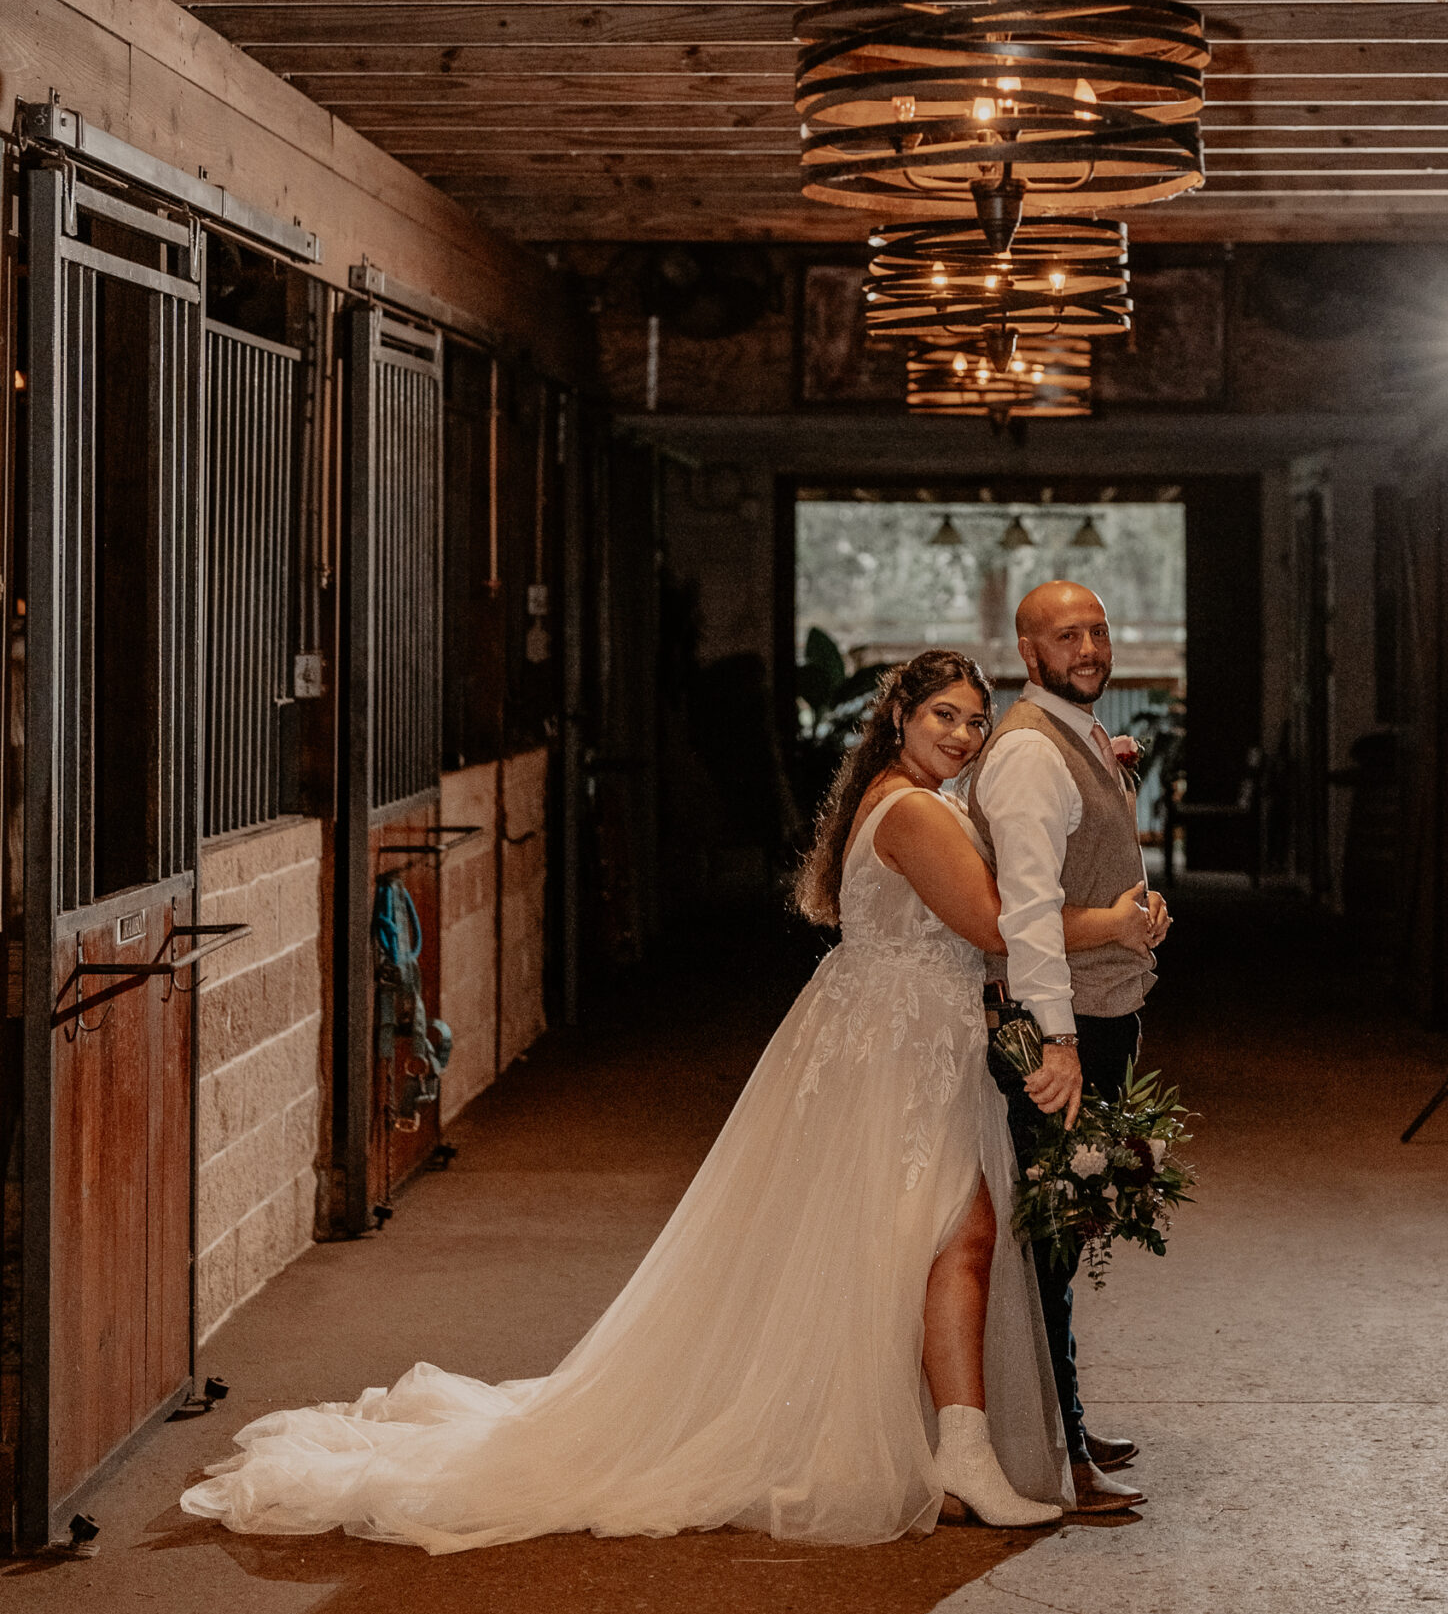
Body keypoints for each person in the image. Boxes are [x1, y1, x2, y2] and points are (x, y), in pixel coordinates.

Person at [181, 649, 1155, 1552]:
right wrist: (1111, 921)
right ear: (900, 713)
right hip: (902, 1048)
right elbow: (990, 918)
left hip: (902, 1038)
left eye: (977, 721)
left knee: (941, 1237)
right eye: (945, 712)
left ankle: (951, 1450)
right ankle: (958, 1454)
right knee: (958, 1231)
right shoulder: (914, 813)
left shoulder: (906, 798)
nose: (964, 732)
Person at [966, 581, 1173, 1518]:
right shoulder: (1026, 756)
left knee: (1070, 1224)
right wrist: (1057, 1043)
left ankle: (1062, 1418)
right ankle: (1059, 1455)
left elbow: (1086, 871)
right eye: (1066, 635)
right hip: (1065, 1023)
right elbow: (1024, 918)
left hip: (1103, 1007)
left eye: (1097, 629)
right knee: (1050, 1238)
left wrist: (1139, 912)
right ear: (1026, 648)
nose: (1088, 647)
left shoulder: (1081, 738)